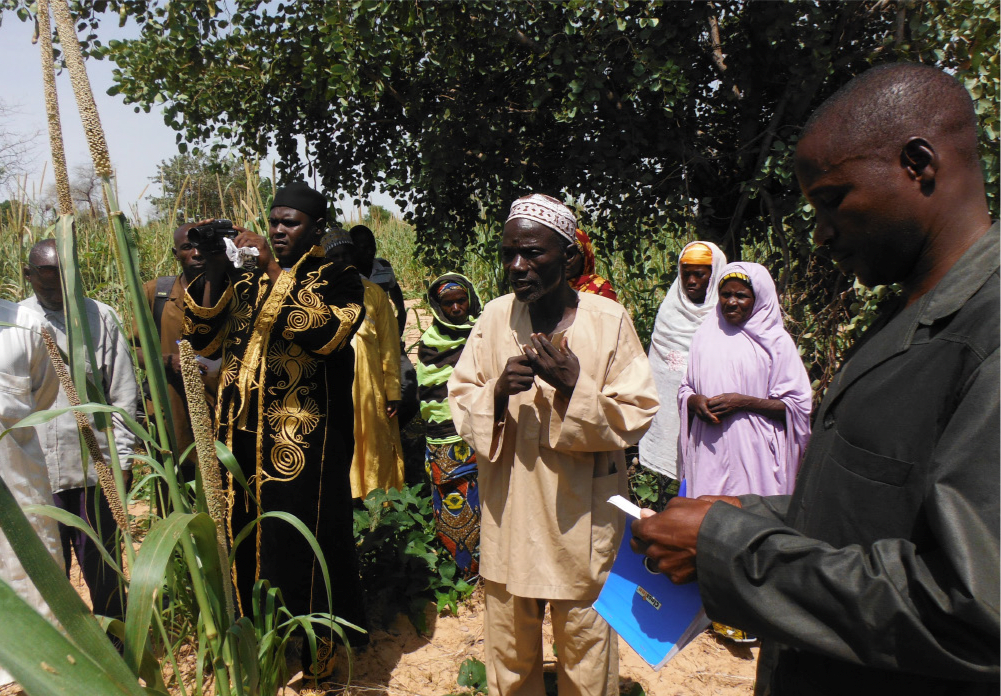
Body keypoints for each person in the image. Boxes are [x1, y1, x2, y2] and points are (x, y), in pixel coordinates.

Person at [631, 63, 1001, 695]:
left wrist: (731, 551)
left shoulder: (985, 341)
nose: (823, 233)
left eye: (833, 201)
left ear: (919, 164)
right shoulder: (905, 317)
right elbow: (878, 517)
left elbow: (974, 611)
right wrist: (750, 512)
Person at [449, 193, 659, 696]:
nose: (517, 267)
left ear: (567, 257)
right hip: (510, 512)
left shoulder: (608, 320)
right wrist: (497, 392)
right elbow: (461, 397)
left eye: (532, 253)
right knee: (508, 651)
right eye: (507, 254)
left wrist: (572, 386)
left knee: (586, 649)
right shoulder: (496, 318)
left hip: (580, 520)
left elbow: (638, 412)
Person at [184, 182, 368, 676]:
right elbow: (202, 335)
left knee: (303, 540)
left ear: (314, 229)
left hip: (302, 443)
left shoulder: (337, 276)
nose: (278, 231)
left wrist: (270, 267)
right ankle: (254, 645)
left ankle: (318, 655)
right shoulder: (244, 281)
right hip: (240, 438)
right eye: (273, 222)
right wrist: (214, 273)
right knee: (243, 537)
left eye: (290, 223)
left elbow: (328, 336)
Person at [21, 239, 138, 620]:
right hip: (35, 474)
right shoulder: (14, 322)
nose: (58, 294)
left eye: (65, 284)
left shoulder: (100, 318)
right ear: (28, 277)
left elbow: (121, 395)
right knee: (46, 572)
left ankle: (120, 648)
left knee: (102, 566)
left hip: (93, 469)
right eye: (47, 285)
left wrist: (121, 461)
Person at [678, 261, 811, 499]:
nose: (731, 302)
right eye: (725, 294)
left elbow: (796, 406)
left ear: (759, 297)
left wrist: (744, 403)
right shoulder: (704, 336)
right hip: (710, 449)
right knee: (706, 519)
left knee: (754, 520)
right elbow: (686, 387)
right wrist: (693, 400)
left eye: (741, 296)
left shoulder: (776, 342)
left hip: (756, 455)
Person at [0, 298, 61, 688]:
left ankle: (40, 664)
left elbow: (43, 396)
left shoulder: (26, 327)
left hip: (17, 478)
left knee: (28, 566)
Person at [324, 228, 405, 498]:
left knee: (374, 446)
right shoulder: (316, 295)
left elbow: (390, 347)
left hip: (370, 389)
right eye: (333, 256)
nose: (341, 260)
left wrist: (392, 391)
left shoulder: (374, 295)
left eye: (346, 254)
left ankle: (376, 508)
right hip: (332, 390)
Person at [639, 241, 727, 481]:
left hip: (717, 412)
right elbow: (660, 371)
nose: (691, 281)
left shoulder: (726, 314)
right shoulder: (670, 313)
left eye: (699, 275)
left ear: (715, 274)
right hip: (674, 412)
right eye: (686, 274)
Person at [134, 223, 218, 471]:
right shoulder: (155, 293)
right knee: (174, 485)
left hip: (219, 409)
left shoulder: (231, 291)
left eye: (202, 246)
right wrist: (169, 361)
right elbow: (133, 351)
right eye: (187, 247)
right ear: (176, 253)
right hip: (171, 412)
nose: (196, 253)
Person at [416, 273, 483, 578]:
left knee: (486, 502)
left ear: (471, 299)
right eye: (448, 303)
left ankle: (490, 571)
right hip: (446, 440)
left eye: (461, 300)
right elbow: (431, 392)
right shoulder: (431, 343)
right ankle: (460, 576)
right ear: (437, 306)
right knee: (453, 506)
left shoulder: (483, 333)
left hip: (481, 433)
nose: (456, 308)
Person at [567, 228, 617, 300]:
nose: (565, 259)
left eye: (570, 254)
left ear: (585, 257)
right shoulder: (548, 288)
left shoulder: (601, 290)